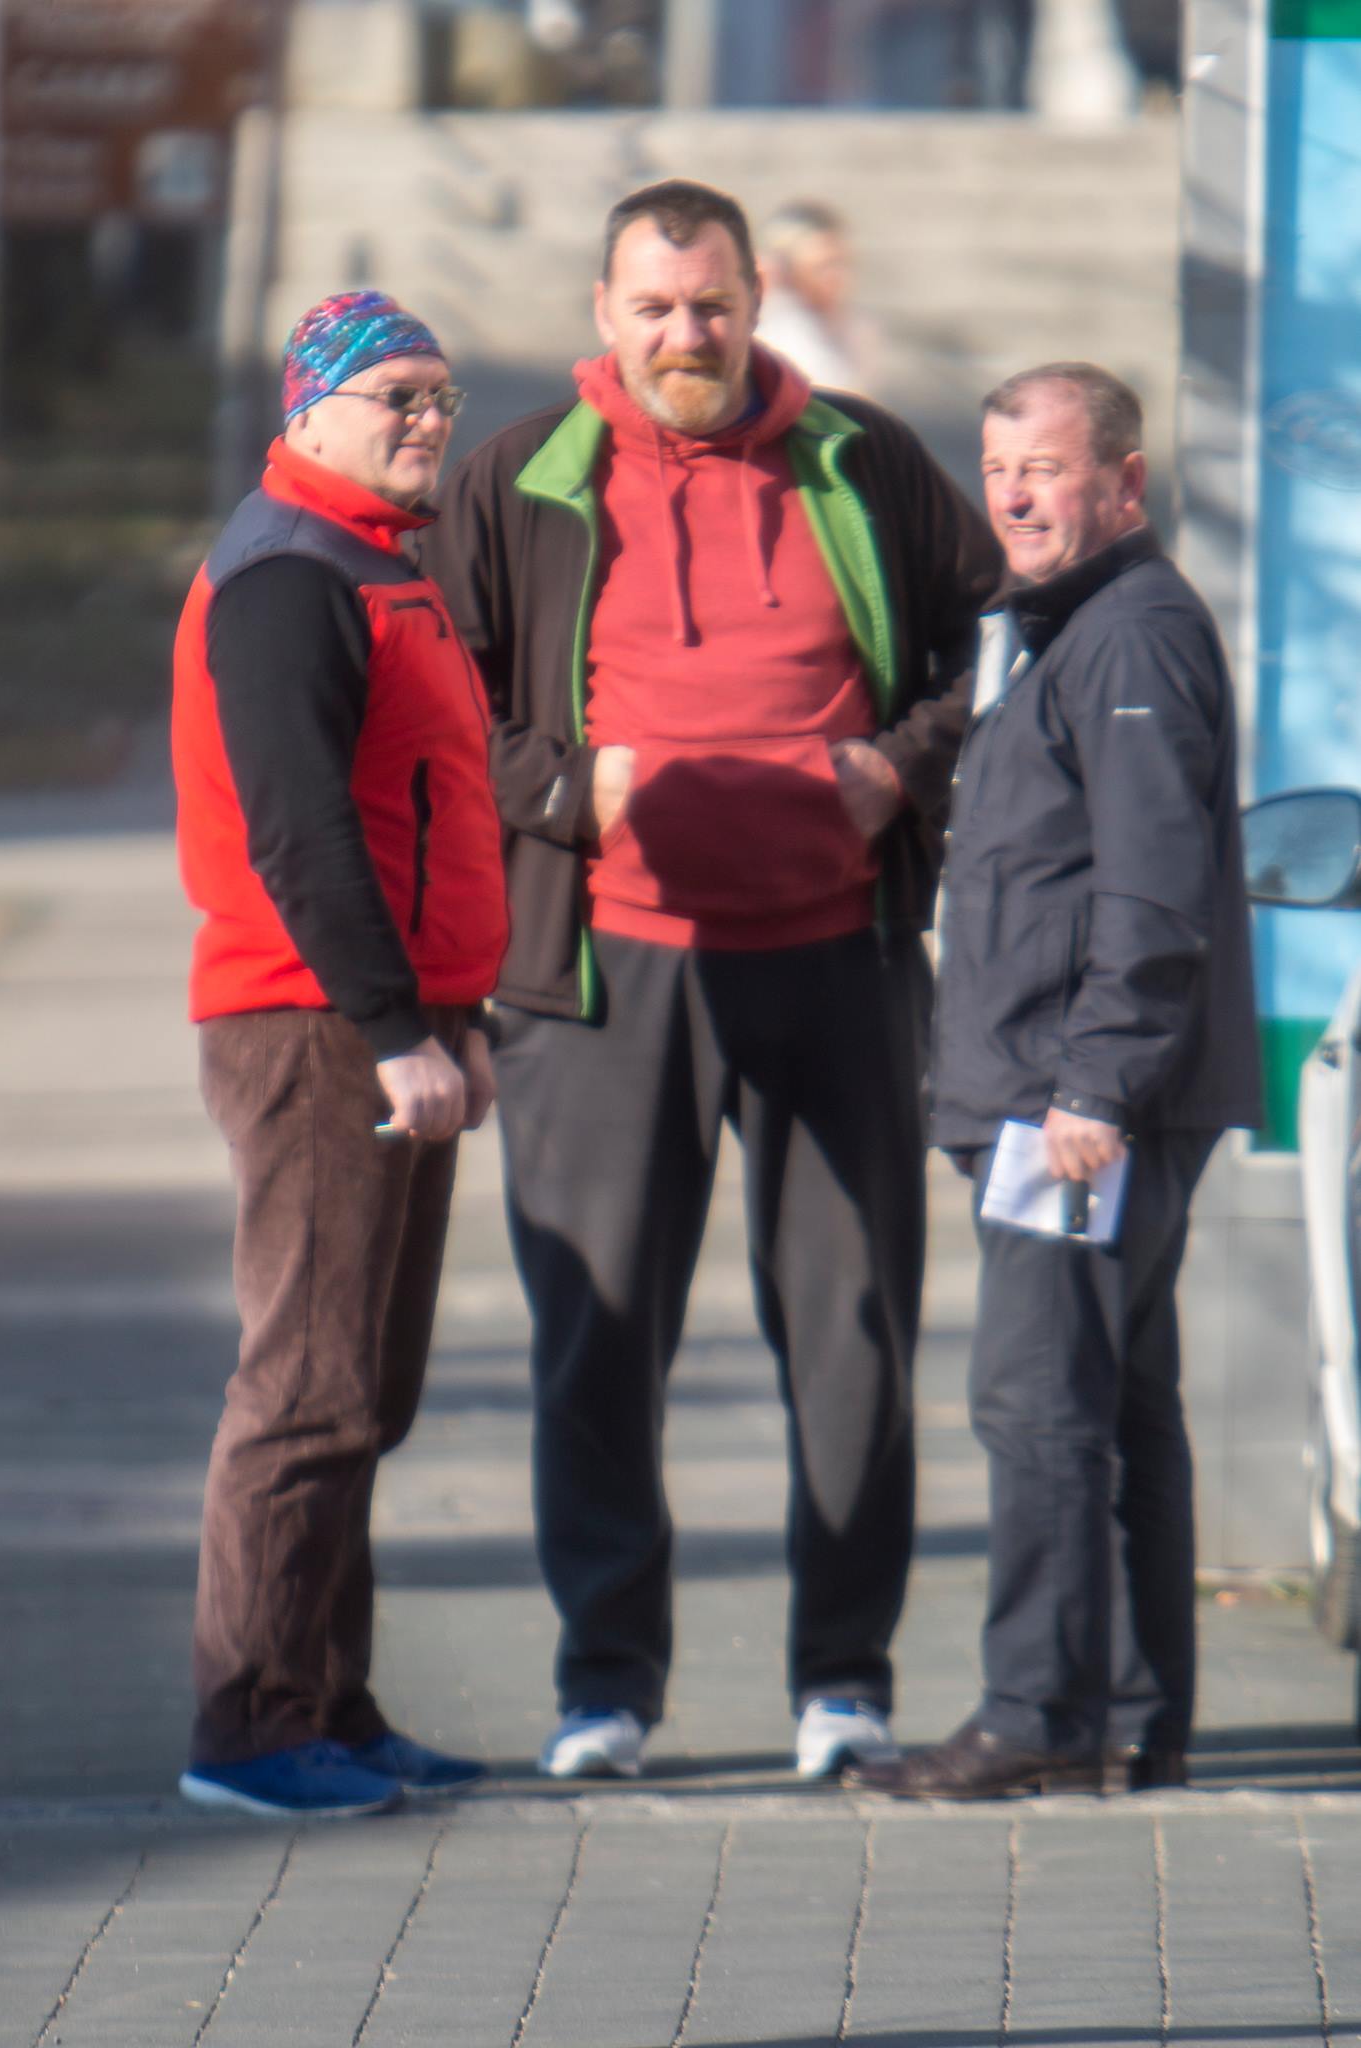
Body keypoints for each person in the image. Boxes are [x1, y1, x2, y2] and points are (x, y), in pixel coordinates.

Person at [428, 179, 1000, 1781]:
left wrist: (901, 767)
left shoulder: (863, 458)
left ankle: (844, 1683)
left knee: (855, 1336)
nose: (687, 334)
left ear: (755, 303)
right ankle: (605, 1686)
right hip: (605, 972)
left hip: (838, 959)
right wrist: (564, 789)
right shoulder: (522, 477)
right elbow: (440, 698)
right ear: (603, 316)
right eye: (656, 307)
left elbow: (995, 645)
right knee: (599, 1341)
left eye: (712, 305)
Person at [850, 362, 1262, 1801]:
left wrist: (1092, 1087)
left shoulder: (1130, 635)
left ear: (1125, 482)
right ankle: (1134, 1717)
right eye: (998, 468)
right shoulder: (1065, 628)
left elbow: (1152, 889)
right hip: (1069, 1092)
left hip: (1073, 1108)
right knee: (1118, 1400)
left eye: (1049, 467)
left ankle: (1036, 1711)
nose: (1015, 496)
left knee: (1036, 1403)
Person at [171, 291, 509, 1817]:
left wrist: (455, 1019)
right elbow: (302, 833)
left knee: (368, 1388)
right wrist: (390, 1027)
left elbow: (422, 814)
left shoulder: (377, 562)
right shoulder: (287, 576)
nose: (426, 419)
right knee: (307, 1383)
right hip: (311, 1023)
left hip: (388, 1024)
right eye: (394, 395)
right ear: (308, 412)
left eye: (439, 394)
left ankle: (328, 1702)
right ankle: (249, 1727)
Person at [756, 200, 876, 397]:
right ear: (786, 269)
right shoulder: (778, 332)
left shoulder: (855, 328)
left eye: (842, 263)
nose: (837, 277)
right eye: (824, 267)